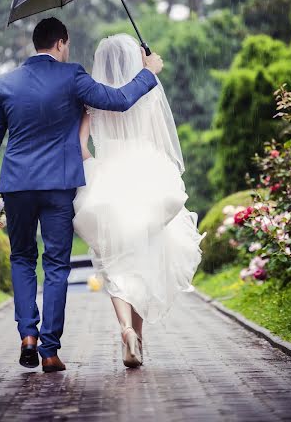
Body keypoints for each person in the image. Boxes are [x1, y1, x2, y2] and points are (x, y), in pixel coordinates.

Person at [0, 17, 163, 373]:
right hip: (59, 186)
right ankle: (49, 350)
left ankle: (27, 336)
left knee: (21, 259)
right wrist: (148, 71)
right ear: (61, 43)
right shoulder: (72, 76)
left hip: (17, 185)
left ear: (37, 44)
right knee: (57, 265)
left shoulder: (6, 83)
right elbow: (120, 100)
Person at [73, 33, 206, 368]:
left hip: (107, 183)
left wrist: (91, 167)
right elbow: (161, 142)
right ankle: (140, 339)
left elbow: (81, 145)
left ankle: (125, 331)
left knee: (114, 261)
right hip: (146, 180)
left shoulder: (93, 102)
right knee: (141, 260)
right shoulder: (147, 95)